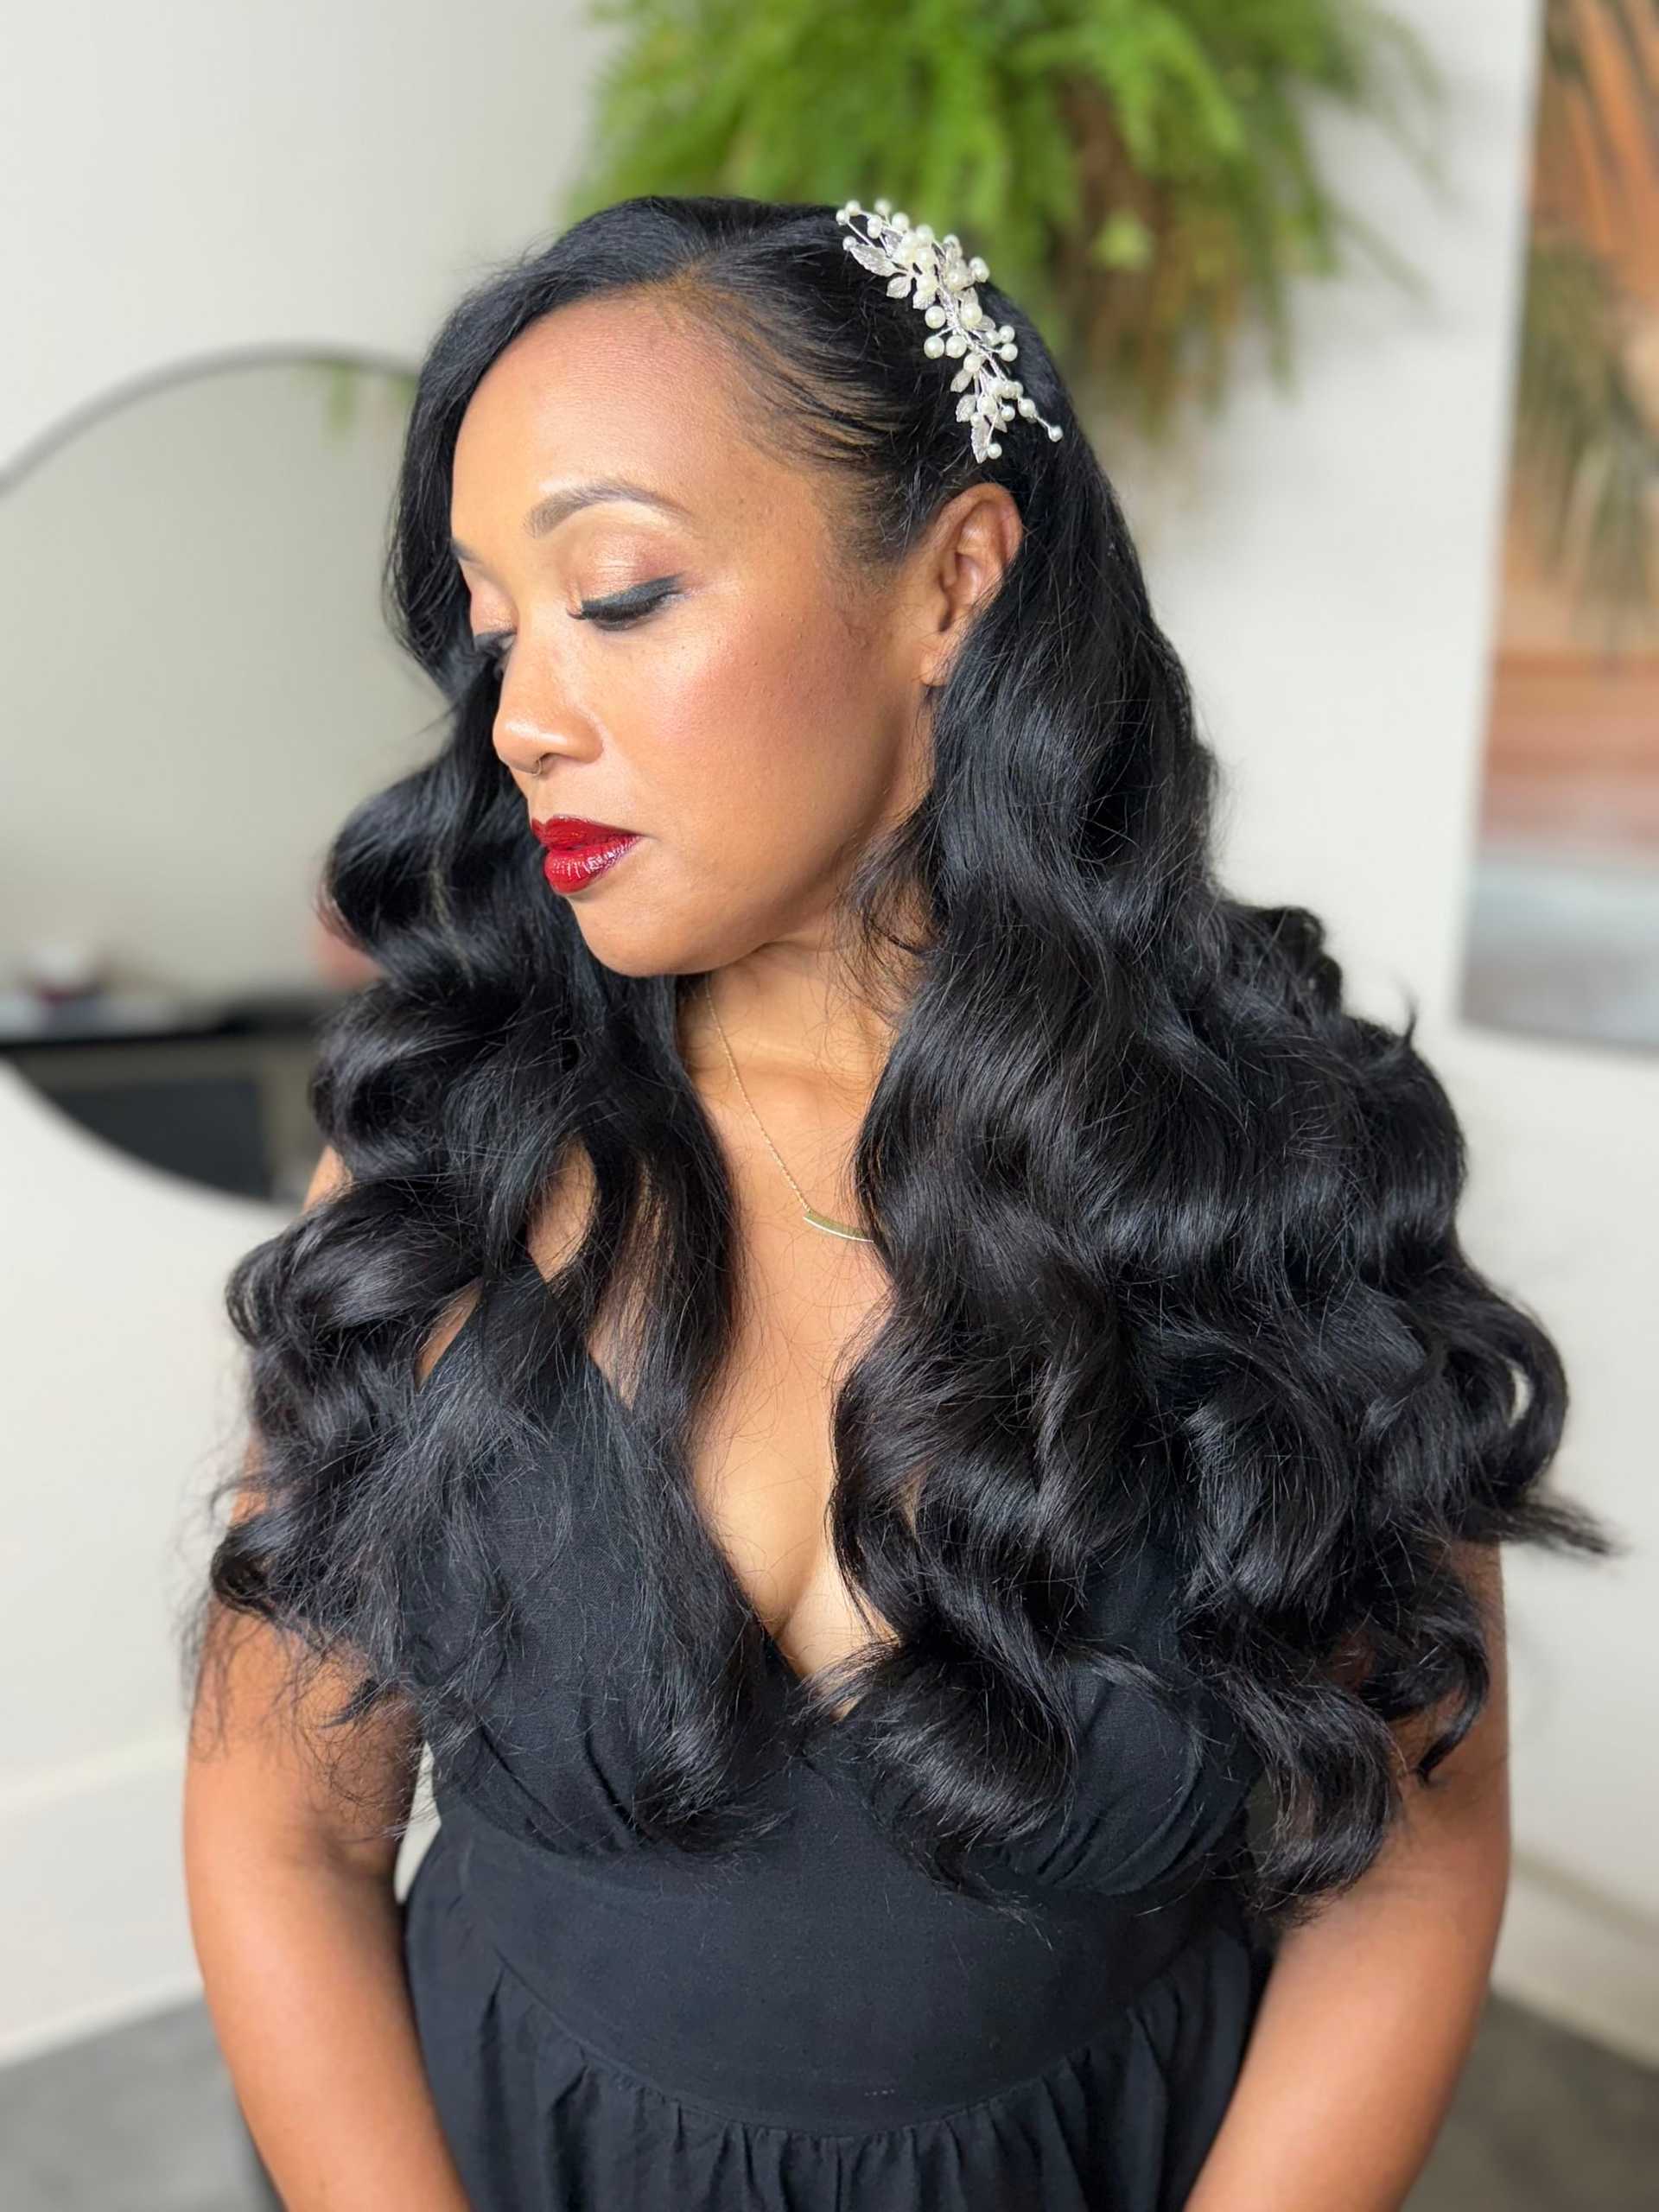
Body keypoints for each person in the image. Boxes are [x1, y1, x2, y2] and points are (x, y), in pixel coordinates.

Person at [180, 192, 1611, 2212]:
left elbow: (1406, 1862)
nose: (520, 719)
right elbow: (285, 1830)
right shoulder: (445, 1151)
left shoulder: (1287, 1161)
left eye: (620, 593)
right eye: (496, 624)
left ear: (953, 582)